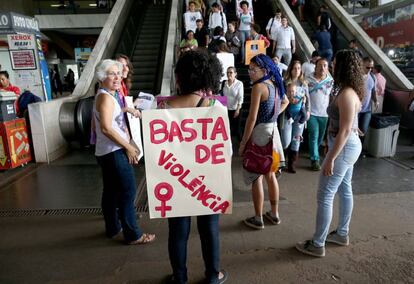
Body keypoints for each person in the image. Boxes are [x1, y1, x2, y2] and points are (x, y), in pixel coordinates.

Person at [158, 50, 228, 284]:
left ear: (179, 79)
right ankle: (212, 276)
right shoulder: (215, 108)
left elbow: (157, 151)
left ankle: (179, 277)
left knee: (178, 231)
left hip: (175, 178)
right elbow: (225, 151)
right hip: (207, 180)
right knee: (210, 228)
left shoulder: (163, 109)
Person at [296, 49, 364, 257]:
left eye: (334, 62)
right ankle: (341, 233)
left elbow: (344, 129)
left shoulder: (346, 94)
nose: (332, 65)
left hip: (344, 146)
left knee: (325, 194)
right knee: (344, 189)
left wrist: (330, 159)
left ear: (343, 66)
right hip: (346, 144)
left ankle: (318, 244)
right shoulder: (347, 90)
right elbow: (349, 125)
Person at [93, 59, 155, 245]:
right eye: (112, 74)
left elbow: (113, 121)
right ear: (102, 77)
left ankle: (113, 228)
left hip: (107, 151)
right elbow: (106, 128)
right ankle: (133, 234)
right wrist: (128, 147)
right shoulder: (104, 97)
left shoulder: (108, 95)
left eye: (118, 73)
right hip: (113, 152)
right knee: (128, 192)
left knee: (111, 191)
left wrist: (127, 109)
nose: (117, 77)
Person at [239, 54, 289, 230]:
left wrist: (244, 142)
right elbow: (286, 101)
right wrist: (274, 116)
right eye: (249, 69)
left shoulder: (258, 87)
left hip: (260, 133)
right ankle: (274, 214)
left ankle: (258, 218)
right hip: (273, 132)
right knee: (271, 175)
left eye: (253, 69)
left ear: (264, 70)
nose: (250, 72)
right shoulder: (275, 85)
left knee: (256, 176)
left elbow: (251, 119)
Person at [281, 61, 310, 173]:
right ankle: (282, 160)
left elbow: (308, 99)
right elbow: (280, 97)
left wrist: (308, 111)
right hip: (288, 114)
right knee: (286, 140)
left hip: (300, 115)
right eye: (294, 68)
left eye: (299, 68)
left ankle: (291, 164)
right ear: (290, 69)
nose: (297, 70)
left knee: (296, 140)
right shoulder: (285, 82)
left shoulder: (304, 84)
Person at [306, 57, 334, 171]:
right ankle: (315, 160)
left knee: (320, 137)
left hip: (325, 114)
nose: (322, 68)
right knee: (314, 135)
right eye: (320, 65)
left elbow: (333, 97)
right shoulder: (308, 79)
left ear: (327, 68)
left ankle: (314, 151)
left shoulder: (330, 81)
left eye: (325, 66)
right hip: (311, 112)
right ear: (315, 67)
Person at [221, 66, 244, 141]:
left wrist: (237, 109)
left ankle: (241, 146)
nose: (229, 74)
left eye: (231, 72)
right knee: (226, 129)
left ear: (235, 74)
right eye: (227, 72)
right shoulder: (224, 83)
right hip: (226, 109)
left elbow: (240, 97)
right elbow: (222, 96)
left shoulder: (239, 83)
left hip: (236, 109)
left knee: (237, 130)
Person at [359, 57, 378, 140]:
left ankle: (360, 152)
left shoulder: (373, 77)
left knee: (363, 131)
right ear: (361, 65)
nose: (370, 69)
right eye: (367, 67)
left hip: (367, 110)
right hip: (356, 109)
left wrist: (376, 101)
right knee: (353, 132)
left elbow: (373, 91)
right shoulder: (356, 77)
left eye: (371, 67)